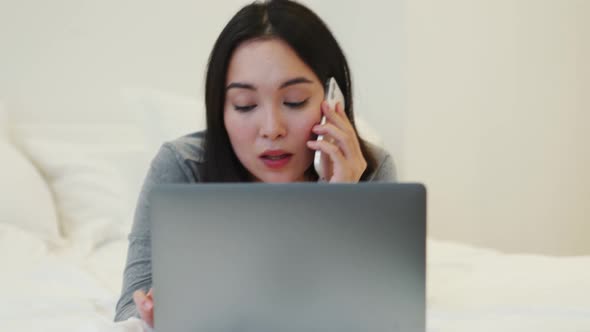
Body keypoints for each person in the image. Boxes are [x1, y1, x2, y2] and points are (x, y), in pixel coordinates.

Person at [114, 0, 396, 327]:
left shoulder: (369, 171)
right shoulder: (181, 167)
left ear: (334, 100)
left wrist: (336, 201)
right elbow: (129, 314)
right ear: (220, 110)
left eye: (295, 101)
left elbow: (376, 316)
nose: (272, 128)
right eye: (245, 105)